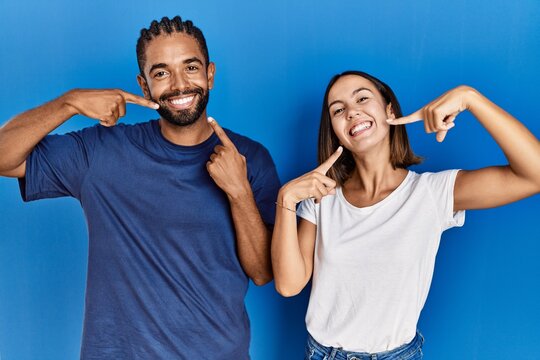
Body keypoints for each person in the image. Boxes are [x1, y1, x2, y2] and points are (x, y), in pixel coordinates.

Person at [0, 16, 280, 359]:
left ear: (209, 75)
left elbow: (264, 272)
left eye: (190, 68)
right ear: (144, 86)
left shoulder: (250, 158)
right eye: (161, 73)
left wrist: (239, 192)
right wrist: (69, 103)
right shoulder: (101, 152)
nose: (179, 85)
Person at [271, 70, 540, 359]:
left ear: (389, 109)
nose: (352, 112)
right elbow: (288, 284)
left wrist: (470, 98)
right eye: (338, 109)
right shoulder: (323, 197)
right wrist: (285, 200)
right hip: (323, 353)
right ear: (334, 129)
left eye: (362, 98)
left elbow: (533, 175)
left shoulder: (431, 193)